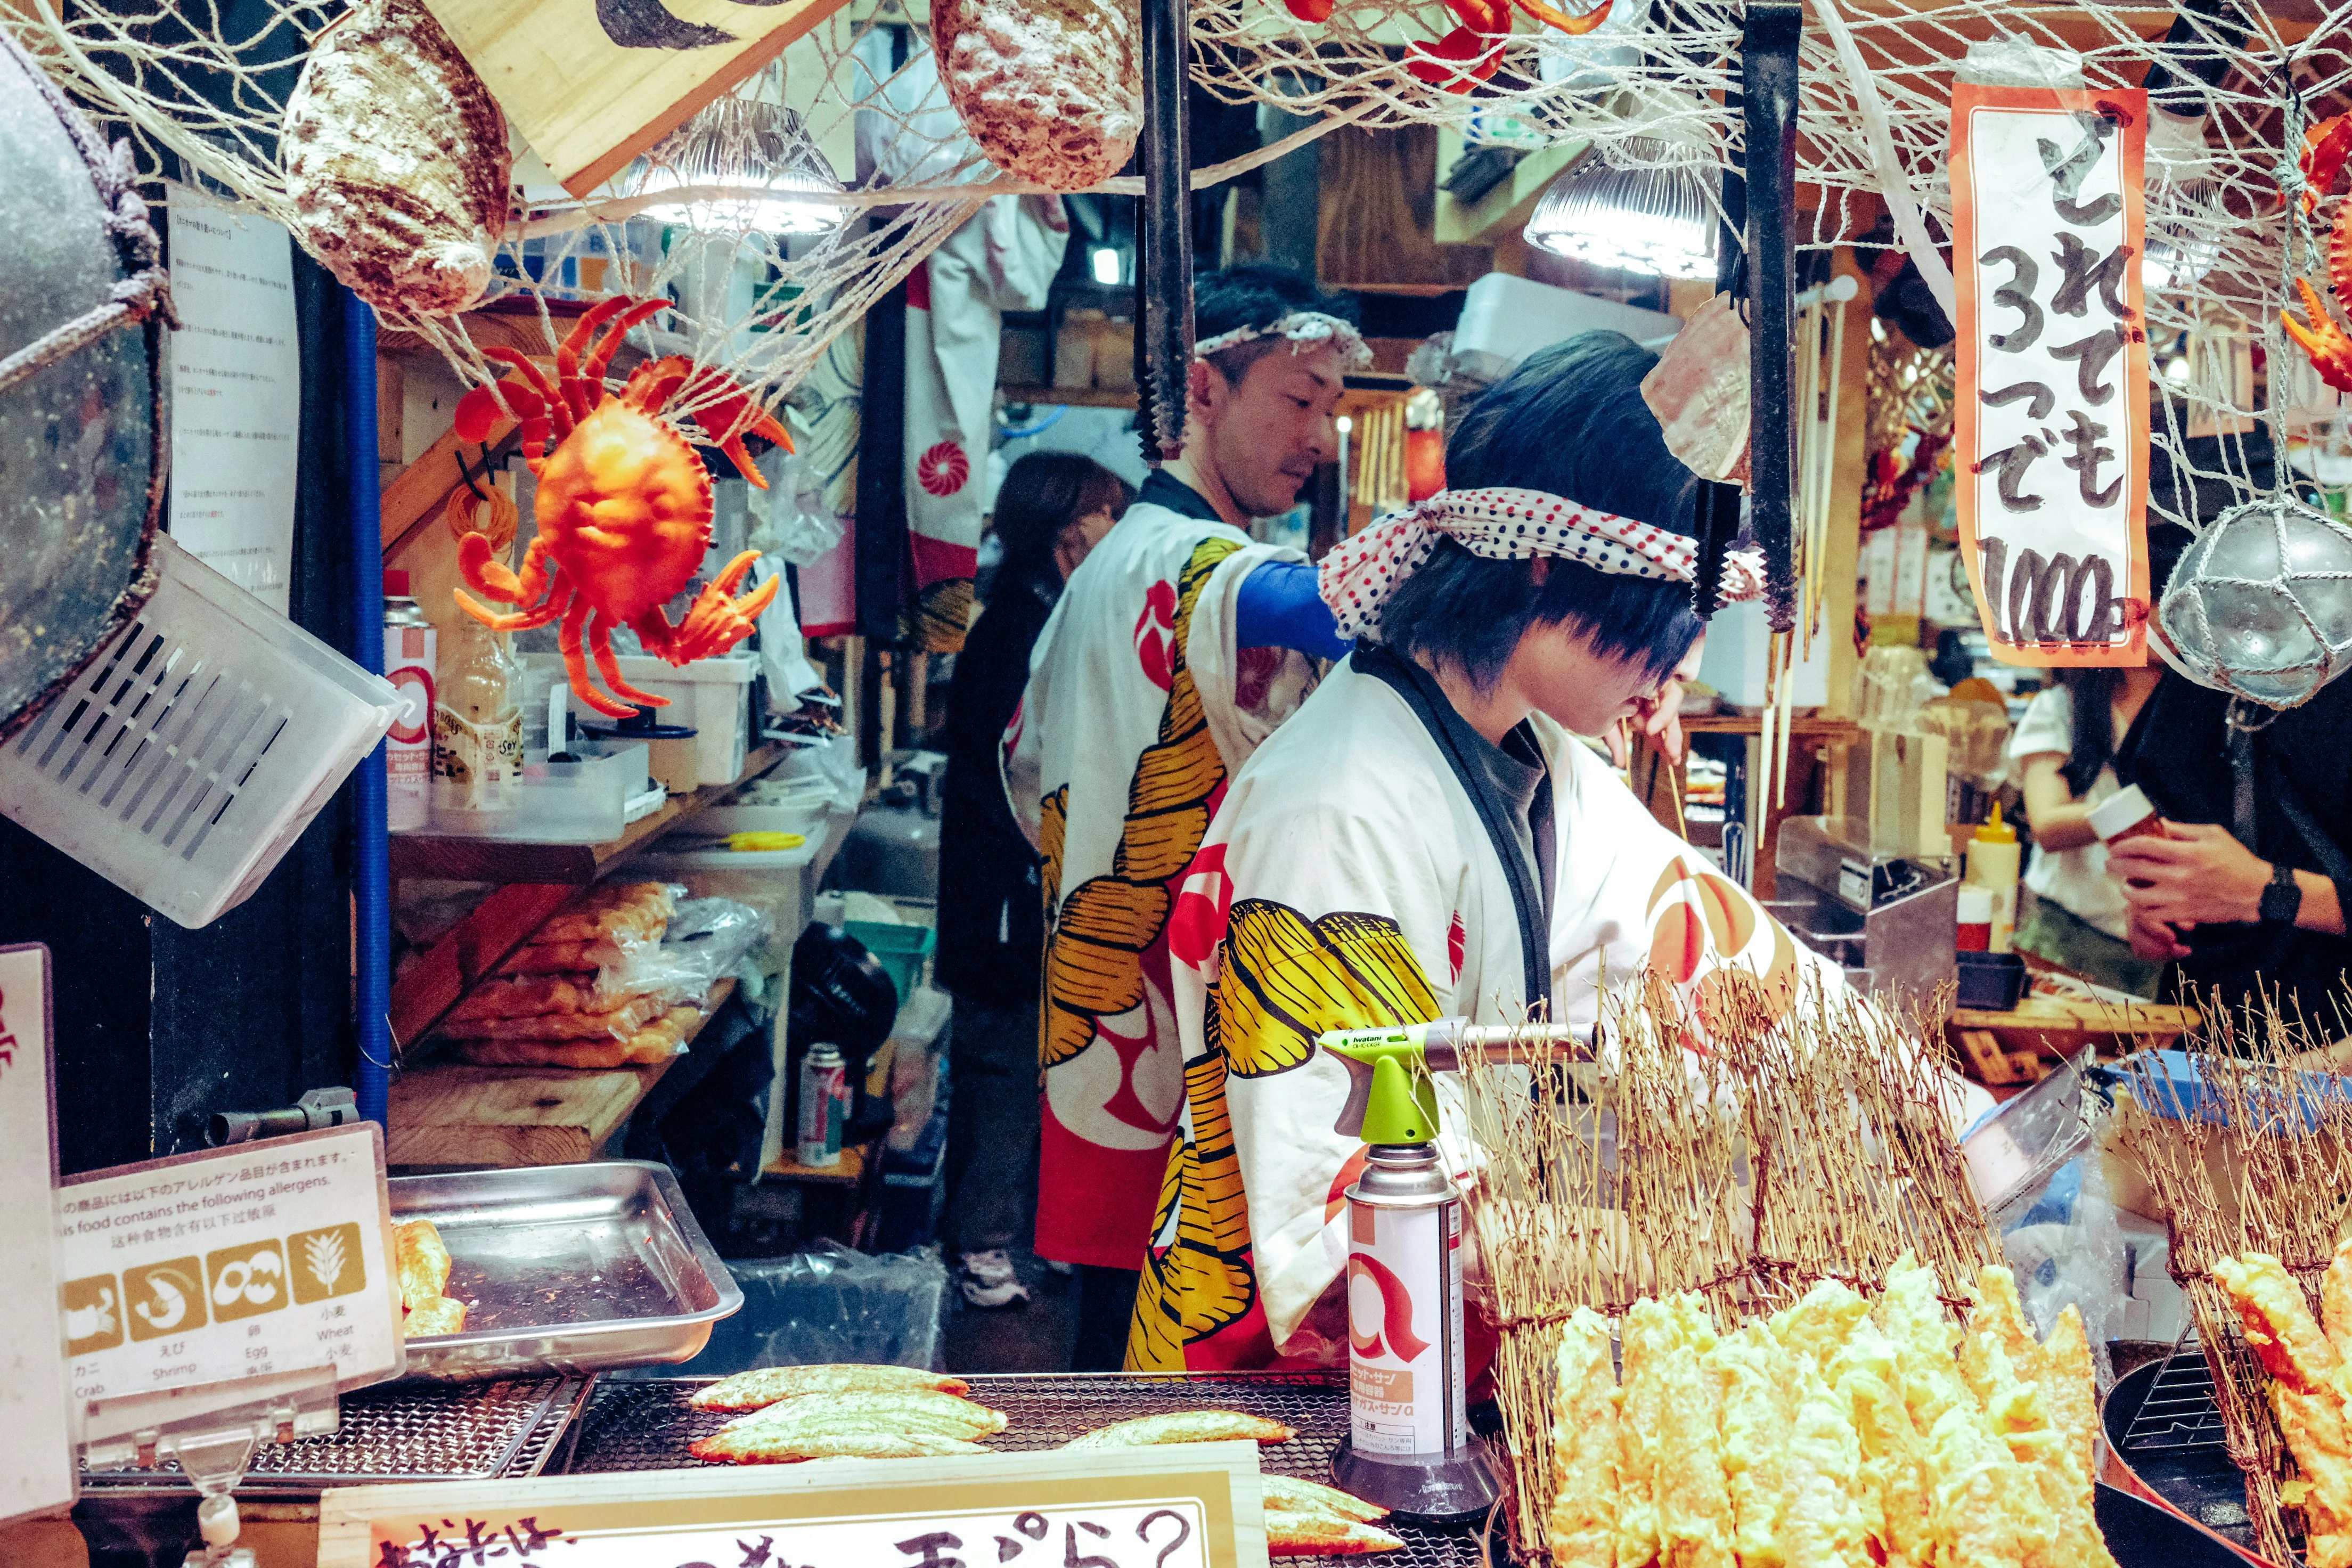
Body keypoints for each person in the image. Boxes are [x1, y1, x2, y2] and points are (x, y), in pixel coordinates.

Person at [1125, 332, 1992, 1371]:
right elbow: (1351, 1223)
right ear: (1545, 562)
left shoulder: (1539, 755)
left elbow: (1724, 957)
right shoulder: (1339, 808)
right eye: (1672, 612)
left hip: (1439, 1360)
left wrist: (1969, 1132)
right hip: (1292, 1392)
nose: (1682, 663)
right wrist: (1738, 1243)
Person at [1004, 264, 1360, 1369]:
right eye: (1299, 400)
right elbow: (1317, 605)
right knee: (1154, 1346)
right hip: (1165, 1008)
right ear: (1204, 388)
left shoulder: (1108, 562)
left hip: (1101, 1005)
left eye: (1332, 411)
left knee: (1114, 1325)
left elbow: (1019, 769)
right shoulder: (1179, 555)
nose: (1322, 438)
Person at [936, 453, 1131, 1308]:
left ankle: (1022, 1236)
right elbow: (1010, 773)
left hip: (1021, 893)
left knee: (1025, 1069)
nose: (1114, 531)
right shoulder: (1019, 627)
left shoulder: (1045, 615)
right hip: (1006, 901)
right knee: (1005, 1072)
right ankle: (980, 1248)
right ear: (1065, 530)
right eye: (1105, 514)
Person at [2108, 641, 2352, 1020]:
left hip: (2327, 1034)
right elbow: (2172, 792)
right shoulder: (2202, 660)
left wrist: (2271, 890)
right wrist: (2161, 904)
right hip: (2200, 1020)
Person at [2006, 659, 2166, 996]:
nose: (2165, 617)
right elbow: (2048, 824)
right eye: (2153, 603)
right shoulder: (2061, 707)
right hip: (2065, 932)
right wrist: (2141, 808)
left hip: (2167, 946)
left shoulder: (2205, 713)